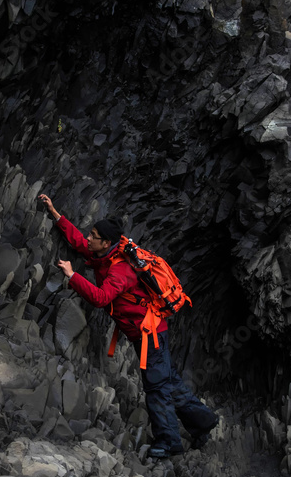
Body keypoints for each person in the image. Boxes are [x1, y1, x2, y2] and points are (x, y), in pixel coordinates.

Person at [38, 193, 219, 458]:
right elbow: (79, 243)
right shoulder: (105, 252)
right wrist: (55, 213)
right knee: (169, 382)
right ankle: (204, 422)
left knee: (156, 387)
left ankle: (168, 442)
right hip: (147, 332)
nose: (89, 238)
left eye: (94, 236)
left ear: (107, 242)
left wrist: (72, 276)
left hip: (150, 336)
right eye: (90, 234)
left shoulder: (121, 270)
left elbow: (101, 299)